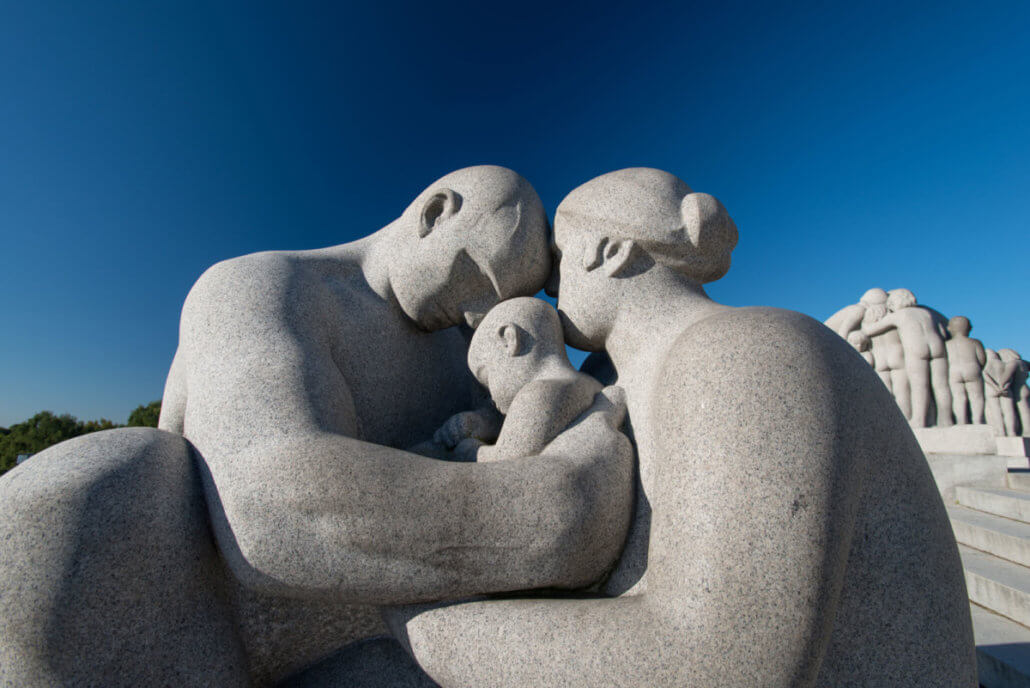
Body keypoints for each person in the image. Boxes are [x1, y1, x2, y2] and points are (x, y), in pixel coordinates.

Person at [0, 166, 636, 686]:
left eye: (497, 303)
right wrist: (565, 507)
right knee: (80, 495)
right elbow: (276, 504)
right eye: (483, 277)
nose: (481, 313)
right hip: (212, 637)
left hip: (374, 637)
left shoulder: (461, 345)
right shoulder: (259, 288)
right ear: (436, 212)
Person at [391, 168, 974, 686]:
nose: (546, 284)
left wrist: (410, 617)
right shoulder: (621, 378)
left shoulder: (745, 353)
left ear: (611, 251)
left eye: (561, 258)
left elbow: (718, 660)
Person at [436, 296, 608, 463]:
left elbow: (504, 461)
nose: (491, 396)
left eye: (486, 377)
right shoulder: (592, 385)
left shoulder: (538, 393)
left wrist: (469, 450)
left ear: (509, 340)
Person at [862, 288, 953, 427]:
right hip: (937, 346)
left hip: (916, 348)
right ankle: (946, 420)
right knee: (941, 385)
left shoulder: (900, 315)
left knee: (919, 385)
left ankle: (919, 419)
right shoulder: (927, 313)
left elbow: (869, 330)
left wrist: (864, 322)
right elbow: (942, 332)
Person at [945, 316, 987, 425]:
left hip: (953, 371)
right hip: (972, 369)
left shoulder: (946, 345)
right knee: (976, 396)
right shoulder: (975, 342)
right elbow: (982, 359)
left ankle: (961, 421)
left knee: (958, 397)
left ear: (950, 328)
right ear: (969, 328)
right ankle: (978, 420)